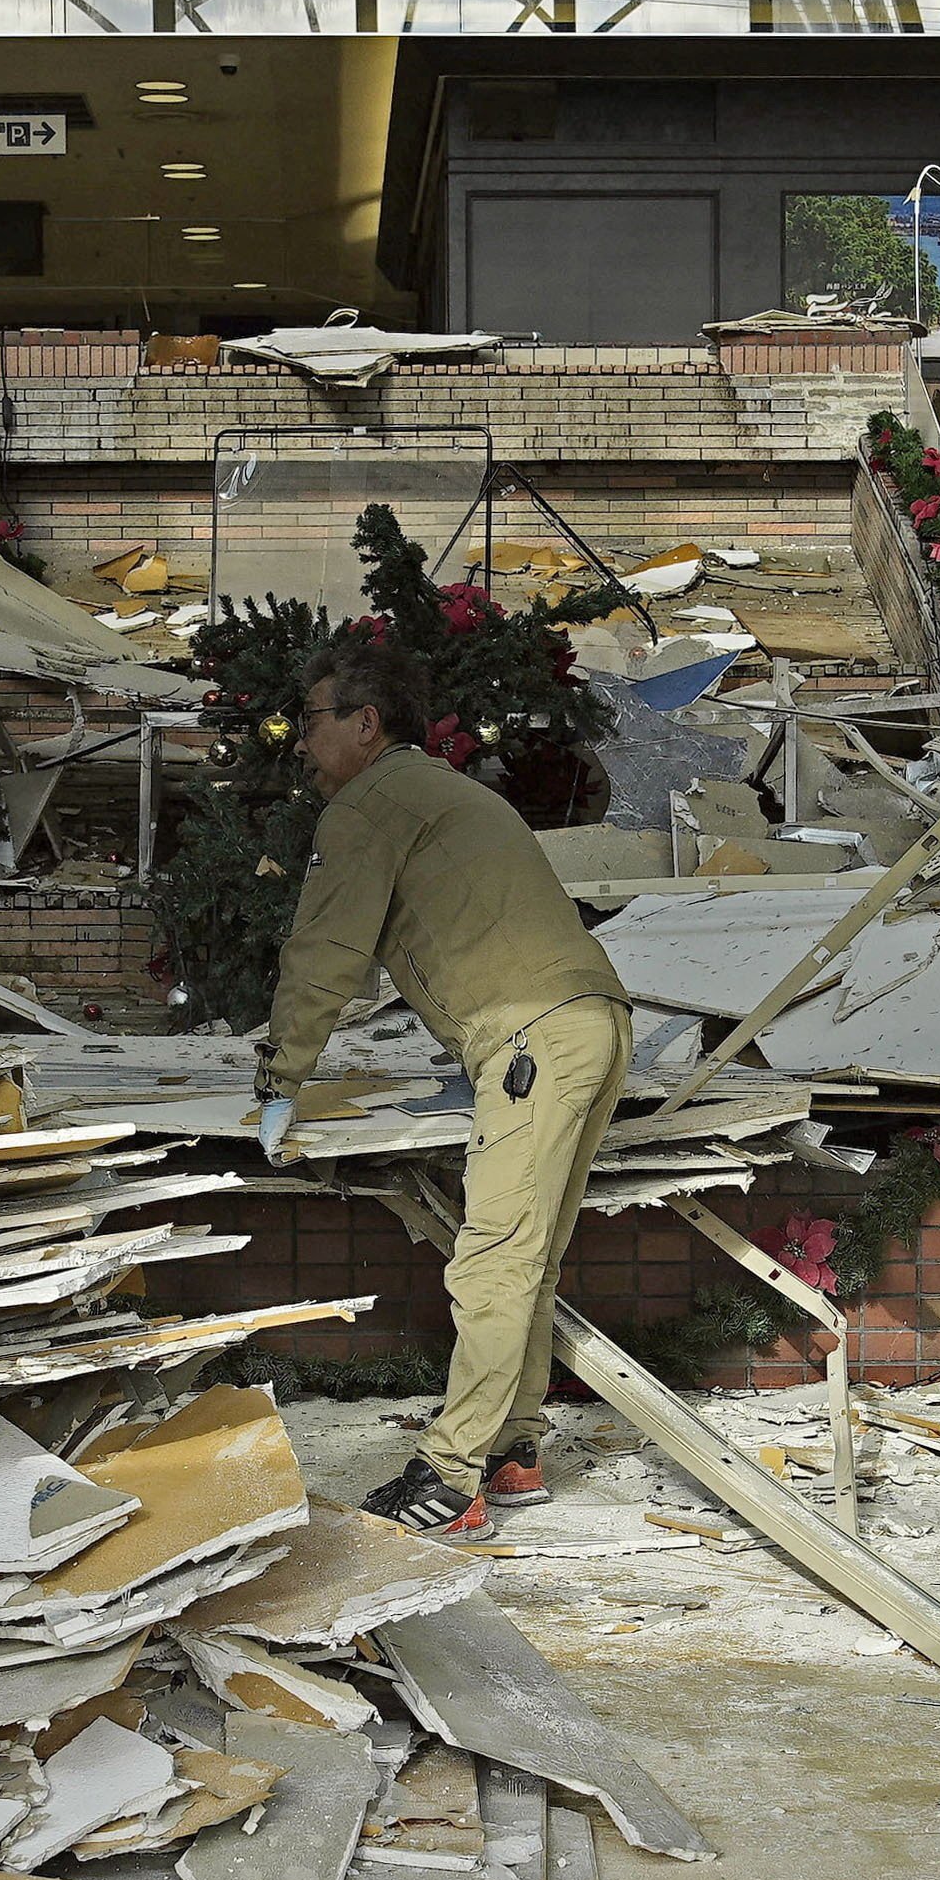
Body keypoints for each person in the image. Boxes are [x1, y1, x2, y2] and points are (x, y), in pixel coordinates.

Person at [256, 637, 633, 1536]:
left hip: (531, 1038)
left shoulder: (370, 803)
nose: (302, 744)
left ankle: (450, 1472)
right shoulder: (445, 792)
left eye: (313, 722)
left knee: (493, 1260)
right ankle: (513, 1449)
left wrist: (280, 1076)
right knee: (527, 1254)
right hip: (594, 1022)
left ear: (365, 722)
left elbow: (325, 951)